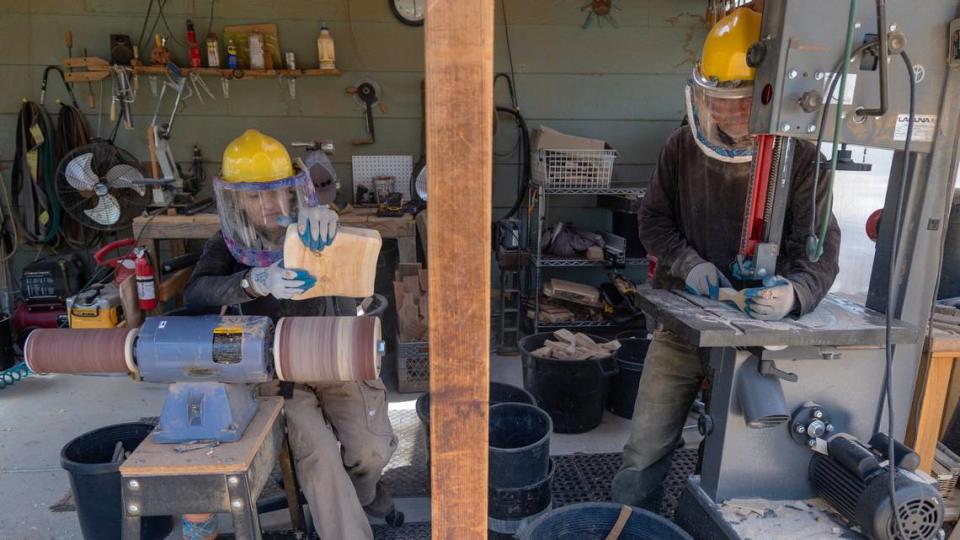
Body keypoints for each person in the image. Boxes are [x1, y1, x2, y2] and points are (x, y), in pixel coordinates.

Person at [610, 7, 841, 510]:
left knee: (728, 457)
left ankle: (700, 518)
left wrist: (794, 295)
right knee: (644, 446)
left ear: (770, 96)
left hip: (759, 340)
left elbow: (821, 253)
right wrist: (689, 264)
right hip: (683, 322)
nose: (726, 113)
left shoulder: (801, 161)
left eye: (740, 101)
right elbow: (652, 220)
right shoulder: (681, 148)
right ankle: (630, 521)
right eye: (715, 99)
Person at [181, 129, 397, 540]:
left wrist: (336, 229)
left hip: (335, 356)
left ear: (294, 190)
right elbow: (196, 293)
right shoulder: (227, 245)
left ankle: (366, 493)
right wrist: (255, 281)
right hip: (279, 375)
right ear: (235, 199)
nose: (268, 204)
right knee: (319, 460)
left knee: (370, 452)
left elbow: (364, 270)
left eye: (277, 192)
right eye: (253, 195)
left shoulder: (318, 226)